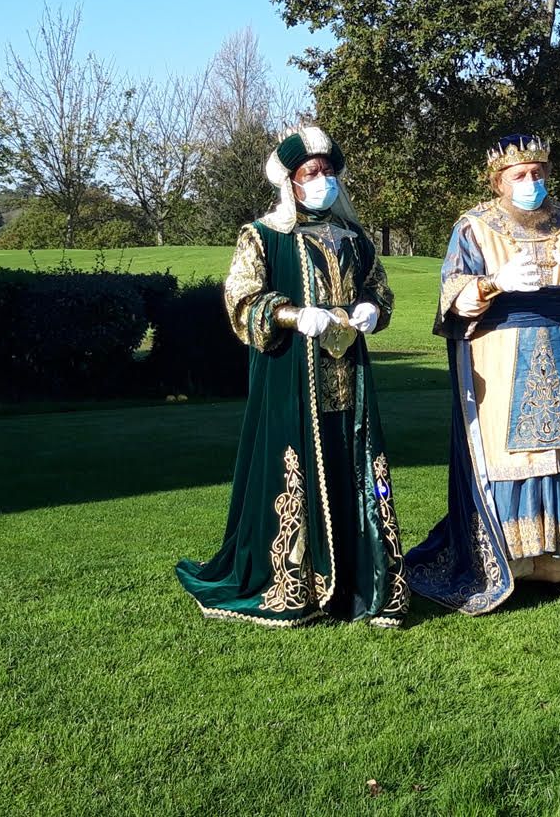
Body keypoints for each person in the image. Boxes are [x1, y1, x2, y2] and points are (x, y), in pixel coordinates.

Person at [175, 126, 408, 626]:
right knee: (296, 464)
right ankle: (295, 580)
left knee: (354, 463)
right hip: (291, 377)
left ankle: (359, 578)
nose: (322, 180)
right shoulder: (262, 235)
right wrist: (290, 315)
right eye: (311, 173)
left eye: (328, 171)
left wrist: (372, 309)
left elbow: (379, 292)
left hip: (349, 375)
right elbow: (241, 300)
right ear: (291, 181)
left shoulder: (355, 238)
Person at [405, 135, 560, 614]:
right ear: (498, 180)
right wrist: (494, 283)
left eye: (538, 172)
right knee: (510, 454)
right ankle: (510, 563)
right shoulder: (475, 226)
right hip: (500, 349)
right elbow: (451, 290)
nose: (531, 182)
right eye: (519, 175)